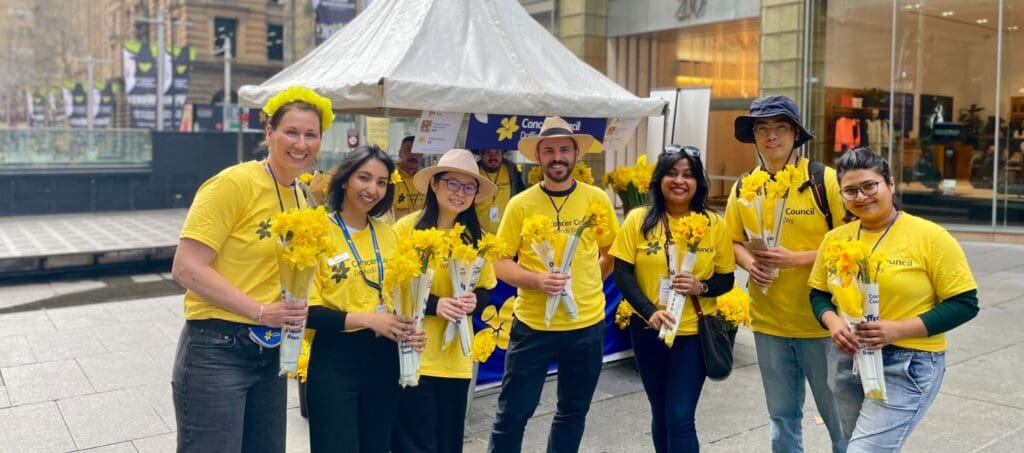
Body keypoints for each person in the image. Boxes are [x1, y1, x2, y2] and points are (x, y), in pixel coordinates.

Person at [171, 86, 333, 452]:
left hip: (270, 351)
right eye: (291, 132)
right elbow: (185, 267)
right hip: (217, 348)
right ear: (269, 133)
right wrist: (260, 310)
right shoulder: (233, 183)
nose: (301, 143)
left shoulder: (300, 194)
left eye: (311, 134)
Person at [809, 146, 979, 451]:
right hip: (847, 360)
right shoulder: (835, 239)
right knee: (853, 444)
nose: (861, 197)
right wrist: (832, 322)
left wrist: (896, 329)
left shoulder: (930, 236)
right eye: (850, 191)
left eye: (869, 186)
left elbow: (965, 303)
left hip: (908, 361)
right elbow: (818, 293)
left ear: (890, 184)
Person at [488, 116, 619, 453]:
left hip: (586, 325)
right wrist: (537, 281)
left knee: (573, 412)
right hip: (532, 326)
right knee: (513, 413)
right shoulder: (520, 204)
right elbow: (500, 262)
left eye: (564, 149)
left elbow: (611, 253)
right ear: (538, 157)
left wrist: (587, 283)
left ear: (576, 155)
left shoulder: (597, 199)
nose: (557, 157)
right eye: (549, 150)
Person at [725, 95, 848, 453]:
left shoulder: (824, 181)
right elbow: (733, 241)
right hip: (769, 324)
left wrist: (797, 259)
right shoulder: (744, 186)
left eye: (780, 127)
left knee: (840, 420)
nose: (771, 135)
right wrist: (750, 264)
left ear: (796, 133)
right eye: (762, 128)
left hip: (822, 324)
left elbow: (852, 243)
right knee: (781, 420)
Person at [611, 145, 735, 452]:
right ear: (659, 179)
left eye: (688, 175)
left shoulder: (713, 224)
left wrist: (700, 287)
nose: (680, 181)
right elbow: (623, 274)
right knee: (661, 411)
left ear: (698, 183)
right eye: (672, 173)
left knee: (680, 415)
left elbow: (727, 278)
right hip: (648, 331)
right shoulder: (639, 219)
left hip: (692, 334)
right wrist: (650, 312)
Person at [305, 145, 427, 453]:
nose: (372, 189)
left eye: (382, 182)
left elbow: (402, 299)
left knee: (376, 445)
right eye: (364, 178)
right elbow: (306, 311)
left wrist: (413, 330)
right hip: (335, 360)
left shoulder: (389, 235)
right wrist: (368, 319)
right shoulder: (316, 231)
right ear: (345, 179)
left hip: (383, 359)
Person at [391, 148, 499, 453]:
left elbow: (486, 285)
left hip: (456, 362)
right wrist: (434, 304)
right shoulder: (406, 230)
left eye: (468, 187)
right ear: (434, 184)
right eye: (452, 183)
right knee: (414, 444)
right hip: (414, 356)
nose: (460, 193)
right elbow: (392, 291)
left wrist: (473, 301)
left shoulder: (475, 238)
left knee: (449, 444)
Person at [474, 148, 526, 233]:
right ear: (481, 154)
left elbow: (522, 199)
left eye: (497, 152)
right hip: (480, 237)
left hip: (508, 234)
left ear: (502, 154)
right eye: (488, 152)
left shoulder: (512, 171)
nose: (493, 156)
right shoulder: (474, 173)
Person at [393, 135, 425, 220]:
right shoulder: (390, 177)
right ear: (400, 153)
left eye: (417, 151)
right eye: (408, 150)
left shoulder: (426, 179)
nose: (413, 154)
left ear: (422, 156)